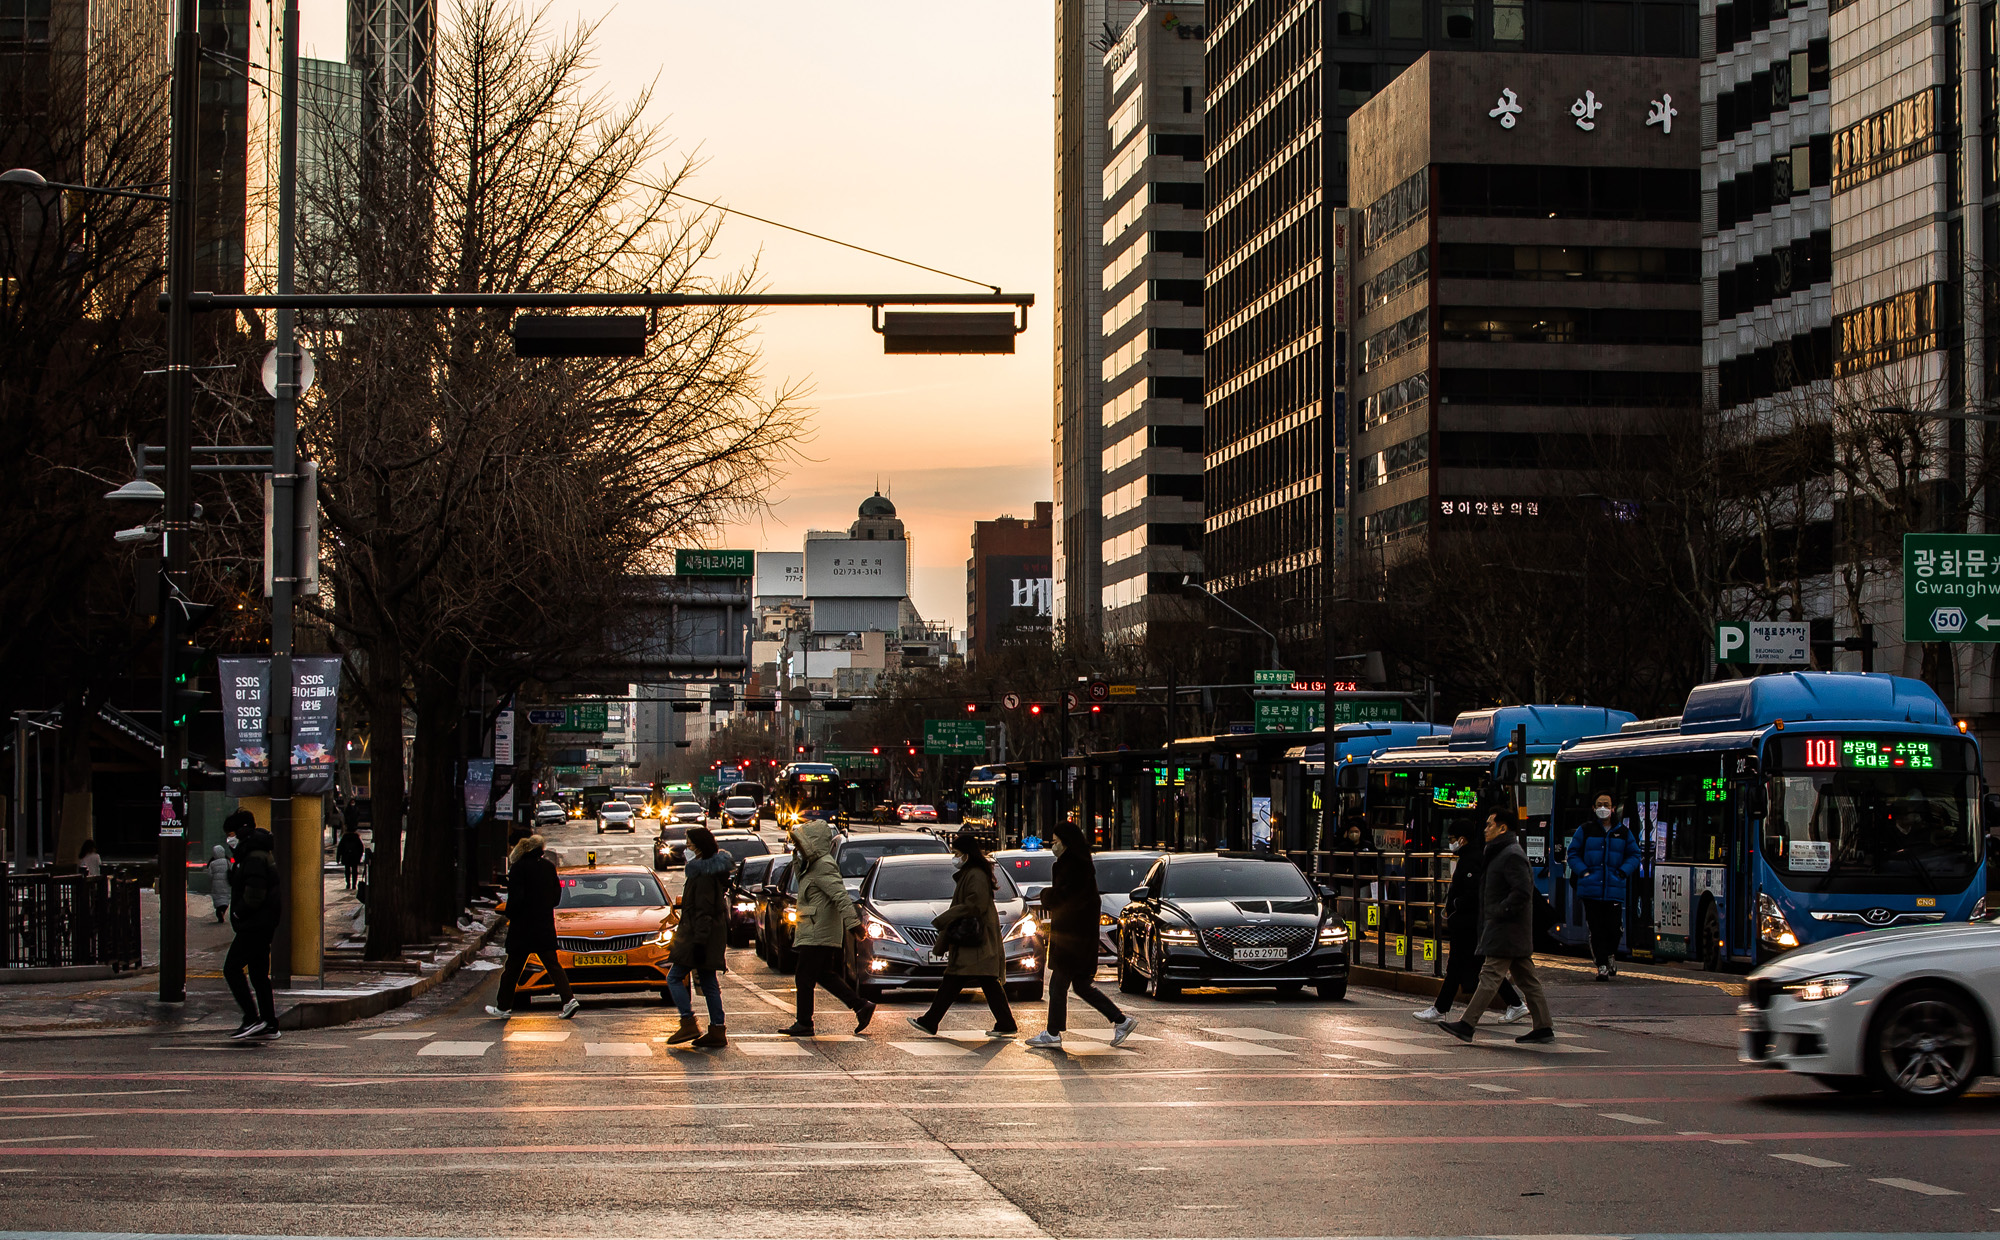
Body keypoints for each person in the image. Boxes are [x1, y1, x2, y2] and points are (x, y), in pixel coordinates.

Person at [1441, 811, 1554, 1045]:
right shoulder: (1499, 853)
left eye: (1489, 824)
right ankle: (1543, 1026)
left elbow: (1522, 891)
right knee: (1527, 980)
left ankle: (1467, 1024)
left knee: (1490, 975)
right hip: (1508, 928)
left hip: (1507, 929)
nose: (1485, 829)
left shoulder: (1510, 854)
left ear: (1502, 828)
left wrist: (1498, 912)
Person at [1025, 820, 1135, 1050]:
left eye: (1055, 841)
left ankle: (1053, 1033)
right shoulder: (1082, 865)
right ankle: (1121, 1020)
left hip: (1071, 939)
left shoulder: (1070, 866)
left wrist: (1045, 895)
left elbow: (1066, 898)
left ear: (1065, 842)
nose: (1052, 845)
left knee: (1058, 985)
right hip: (1081, 939)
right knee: (1081, 986)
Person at [907, 830, 1018, 1039]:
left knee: (957, 979)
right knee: (981, 980)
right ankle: (1005, 1022)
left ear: (966, 854)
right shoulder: (972, 872)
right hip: (976, 939)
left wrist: (945, 918)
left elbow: (974, 904)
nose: (954, 858)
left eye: (957, 853)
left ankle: (931, 1020)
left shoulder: (975, 874)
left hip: (974, 938)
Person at [1415, 819, 1527, 1025]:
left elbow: (1475, 892)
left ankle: (1441, 1009)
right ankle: (1515, 1003)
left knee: (1459, 966)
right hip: (1469, 923)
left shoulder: (1472, 859)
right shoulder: (1471, 856)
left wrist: (1456, 903)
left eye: (1451, 839)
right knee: (1482, 967)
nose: (1450, 844)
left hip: (1468, 924)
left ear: (1462, 839)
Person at [780, 819, 875, 1037]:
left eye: (801, 844)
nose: (798, 848)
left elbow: (840, 896)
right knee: (823, 975)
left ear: (812, 844)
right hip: (815, 929)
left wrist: (854, 925)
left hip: (819, 931)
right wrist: (797, 858)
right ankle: (860, 1005)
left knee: (804, 977)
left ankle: (804, 1022)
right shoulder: (812, 865)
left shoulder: (823, 864)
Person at [486, 834, 581, 1020]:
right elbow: (556, 897)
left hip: (522, 928)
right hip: (544, 925)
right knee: (553, 965)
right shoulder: (548, 867)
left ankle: (503, 1006)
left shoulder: (519, 869)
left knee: (512, 969)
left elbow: (516, 899)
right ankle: (569, 1000)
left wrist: (511, 914)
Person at [665, 826, 732, 1048]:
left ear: (699, 847)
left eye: (690, 844)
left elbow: (703, 911)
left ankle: (688, 1022)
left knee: (674, 977)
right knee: (709, 981)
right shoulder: (706, 871)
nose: (687, 848)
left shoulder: (702, 874)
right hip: (705, 936)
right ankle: (717, 1029)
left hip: (699, 936)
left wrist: (699, 943)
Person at [1566, 794, 1641, 980]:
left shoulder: (1623, 832)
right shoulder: (1585, 830)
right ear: (1593, 808)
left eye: (1606, 804)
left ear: (1613, 808)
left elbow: (1634, 855)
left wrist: (1622, 872)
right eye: (1599, 805)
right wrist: (1583, 871)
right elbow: (1573, 853)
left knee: (1614, 929)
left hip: (1614, 889)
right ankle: (1601, 965)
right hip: (1590, 889)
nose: (1603, 808)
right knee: (1597, 928)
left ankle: (1610, 955)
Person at [223, 823, 283, 1039]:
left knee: (232, 968)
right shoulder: (257, 854)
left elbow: (254, 894)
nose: (228, 839)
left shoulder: (254, 857)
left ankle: (252, 1018)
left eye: (230, 834)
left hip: (254, 924)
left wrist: (239, 913)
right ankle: (268, 1022)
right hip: (262, 923)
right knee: (258, 974)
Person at [336, 824, 366, 891]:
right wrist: (360, 856)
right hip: (355, 857)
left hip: (346, 856)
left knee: (347, 870)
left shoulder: (345, 837)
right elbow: (361, 848)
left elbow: (340, 848)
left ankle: (348, 883)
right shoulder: (357, 837)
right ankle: (354, 884)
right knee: (355, 871)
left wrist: (338, 858)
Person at [207, 844, 232, 923]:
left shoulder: (212, 863)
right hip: (226, 884)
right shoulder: (227, 862)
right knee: (225, 899)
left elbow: (210, 875)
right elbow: (232, 870)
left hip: (216, 885)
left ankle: (219, 911)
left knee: (218, 900)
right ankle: (222, 911)